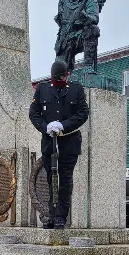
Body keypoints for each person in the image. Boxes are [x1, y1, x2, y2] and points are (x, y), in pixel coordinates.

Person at [28, 60, 90, 229]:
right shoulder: (42, 89)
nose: (60, 80)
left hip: (69, 142)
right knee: (50, 179)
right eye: (57, 78)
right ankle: (51, 214)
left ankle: (61, 216)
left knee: (65, 180)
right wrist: (44, 127)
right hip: (49, 142)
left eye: (63, 77)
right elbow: (34, 114)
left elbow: (83, 113)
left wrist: (64, 125)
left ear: (67, 75)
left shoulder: (76, 90)